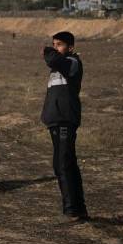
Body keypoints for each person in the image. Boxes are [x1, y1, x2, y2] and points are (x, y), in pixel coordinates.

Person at [42, 31, 88, 222]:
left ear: (70, 47)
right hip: (56, 120)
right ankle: (78, 209)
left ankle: (72, 211)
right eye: (53, 44)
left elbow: (52, 59)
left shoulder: (72, 62)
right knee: (65, 164)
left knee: (63, 164)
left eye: (59, 44)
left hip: (65, 120)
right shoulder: (60, 64)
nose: (55, 48)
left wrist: (47, 50)